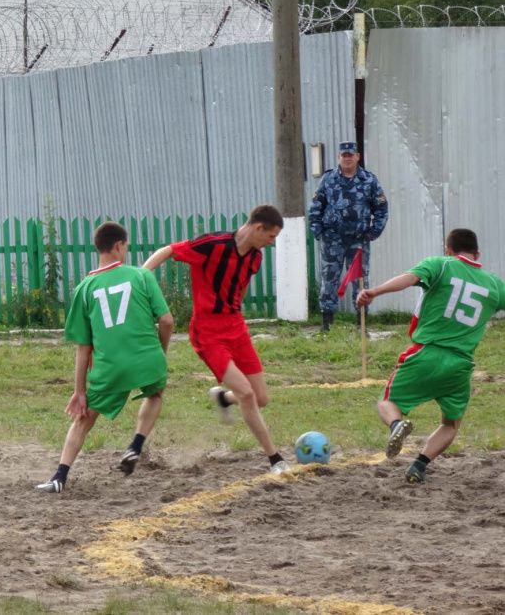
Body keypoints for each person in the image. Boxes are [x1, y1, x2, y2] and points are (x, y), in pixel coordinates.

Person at [143, 205, 291, 474]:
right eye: (271, 237)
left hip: (235, 327)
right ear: (258, 228)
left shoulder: (254, 258)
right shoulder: (213, 244)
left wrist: (234, 311)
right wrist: (141, 275)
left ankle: (223, 399)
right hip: (207, 331)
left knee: (260, 398)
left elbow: (241, 287)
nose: (272, 243)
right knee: (246, 394)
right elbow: (168, 250)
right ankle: (275, 459)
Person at [357, 228, 505, 483]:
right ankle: (419, 466)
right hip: (461, 364)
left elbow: (409, 278)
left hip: (427, 352)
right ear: (477, 253)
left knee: (387, 403)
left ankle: (396, 426)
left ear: (448, 249)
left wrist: (375, 292)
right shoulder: (494, 284)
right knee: (450, 424)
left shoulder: (441, 264)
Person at [35, 221, 173, 493]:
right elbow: (167, 321)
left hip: (109, 369)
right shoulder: (142, 276)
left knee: (84, 420)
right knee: (155, 394)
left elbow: (83, 347)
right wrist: (160, 353)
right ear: (119, 245)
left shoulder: (84, 289)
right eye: (126, 247)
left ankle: (59, 476)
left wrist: (79, 391)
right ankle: (135, 445)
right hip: (147, 360)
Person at [309, 141, 389, 331]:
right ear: (339, 157)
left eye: (350, 155)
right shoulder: (328, 179)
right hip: (332, 239)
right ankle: (326, 325)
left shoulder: (369, 180)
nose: (347, 158)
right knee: (329, 278)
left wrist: (373, 232)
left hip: (358, 239)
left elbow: (381, 208)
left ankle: (361, 324)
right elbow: (316, 206)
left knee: (360, 280)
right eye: (344, 155)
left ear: (357, 157)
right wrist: (318, 231)